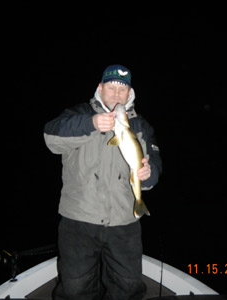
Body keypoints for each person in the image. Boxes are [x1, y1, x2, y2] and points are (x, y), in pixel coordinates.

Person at [44, 64, 162, 300]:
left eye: (123, 89)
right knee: (75, 289)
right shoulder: (78, 114)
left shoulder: (141, 126)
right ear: (100, 88)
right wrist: (92, 123)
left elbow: (155, 162)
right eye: (111, 87)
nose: (116, 94)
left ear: (130, 94)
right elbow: (51, 137)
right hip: (79, 220)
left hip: (125, 221)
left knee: (127, 288)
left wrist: (150, 174)